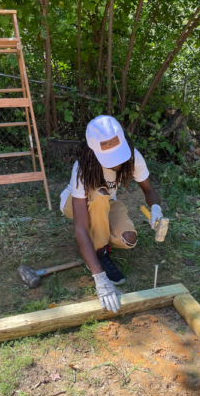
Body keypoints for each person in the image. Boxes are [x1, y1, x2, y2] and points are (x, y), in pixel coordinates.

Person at [60, 115, 163, 314]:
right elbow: (80, 226)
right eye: (110, 157)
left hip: (107, 202)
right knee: (99, 196)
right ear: (94, 151)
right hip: (74, 203)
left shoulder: (134, 157)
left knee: (128, 239)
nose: (117, 163)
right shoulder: (82, 168)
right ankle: (100, 253)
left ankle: (97, 237)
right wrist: (100, 279)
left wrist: (156, 208)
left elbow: (149, 190)